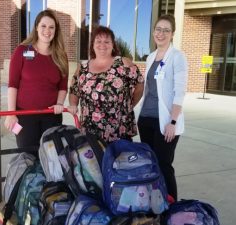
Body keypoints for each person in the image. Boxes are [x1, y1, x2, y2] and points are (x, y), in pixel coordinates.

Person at [136, 14, 188, 201]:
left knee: (164, 164)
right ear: (153, 32)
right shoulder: (150, 57)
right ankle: (154, 201)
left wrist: (172, 122)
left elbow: (179, 92)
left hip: (165, 121)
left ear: (172, 34)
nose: (161, 33)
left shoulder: (177, 57)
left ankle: (171, 205)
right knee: (150, 164)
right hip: (146, 119)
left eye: (166, 30)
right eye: (158, 29)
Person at [4, 9, 68, 154]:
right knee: (28, 156)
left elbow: (63, 86)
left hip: (51, 116)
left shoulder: (60, 56)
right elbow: (13, 84)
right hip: (24, 117)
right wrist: (11, 113)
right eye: (43, 26)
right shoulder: (21, 51)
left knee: (52, 157)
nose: (47, 30)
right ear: (36, 27)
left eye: (51, 27)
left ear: (56, 31)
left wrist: (59, 104)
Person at [68, 26, 144, 143]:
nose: (102, 45)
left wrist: (130, 105)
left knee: (119, 160)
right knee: (94, 160)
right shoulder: (83, 67)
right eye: (98, 41)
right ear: (92, 45)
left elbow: (139, 84)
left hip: (119, 129)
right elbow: (74, 90)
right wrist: (73, 104)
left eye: (107, 41)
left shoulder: (123, 63)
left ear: (113, 44)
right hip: (90, 130)